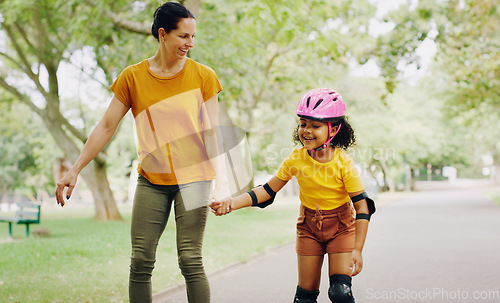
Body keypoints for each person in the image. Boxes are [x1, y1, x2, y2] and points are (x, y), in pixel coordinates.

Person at [55, 2, 231, 302]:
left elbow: (212, 132)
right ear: (163, 34)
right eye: (183, 36)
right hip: (152, 180)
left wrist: (222, 182)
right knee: (140, 262)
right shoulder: (133, 77)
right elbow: (106, 126)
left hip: (195, 178)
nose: (190, 43)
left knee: (190, 260)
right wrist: (75, 170)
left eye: (193, 37)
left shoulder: (203, 76)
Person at [210, 88, 376, 303]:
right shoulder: (295, 159)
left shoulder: (344, 164)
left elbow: (363, 207)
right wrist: (231, 203)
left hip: (341, 228)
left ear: (334, 129)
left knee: (340, 293)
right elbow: (267, 191)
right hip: (309, 227)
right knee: (304, 298)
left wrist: (358, 249)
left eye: (315, 126)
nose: (306, 130)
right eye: (303, 124)